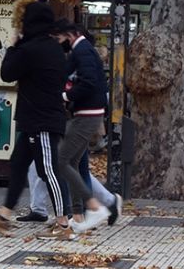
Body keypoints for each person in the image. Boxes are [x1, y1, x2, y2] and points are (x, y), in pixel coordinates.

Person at [0, 1, 109, 236]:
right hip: (39, 117)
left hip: (41, 120)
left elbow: (7, 73)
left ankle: (63, 223)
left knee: (49, 169)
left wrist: (13, 45)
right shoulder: (50, 47)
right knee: (19, 164)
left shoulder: (31, 49)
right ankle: (4, 215)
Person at [22, 22, 120, 225]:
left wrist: (65, 96)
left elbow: (88, 82)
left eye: (59, 40)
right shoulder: (80, 51)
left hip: (86, 115)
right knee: (73, 163)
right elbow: (66, 74)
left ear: (69, 35)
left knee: (61, 161)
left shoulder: (82, 51)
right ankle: (79, 215)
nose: (59, 44)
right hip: (85, 114)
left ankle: (94, 207)